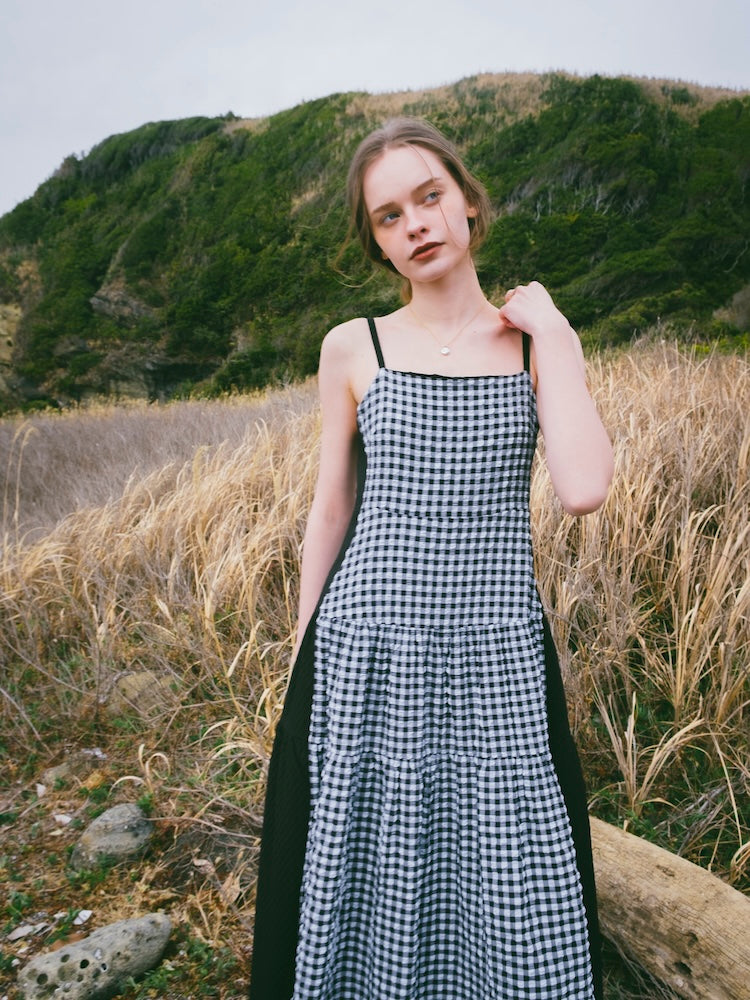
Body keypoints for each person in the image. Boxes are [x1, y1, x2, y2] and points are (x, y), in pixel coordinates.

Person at [249, 117, 614, 1000]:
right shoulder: (355, 346)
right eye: (389, 216)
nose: (414, 224)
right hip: (367, 646)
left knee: (510, 864)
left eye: (429, 197)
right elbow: (331, 506)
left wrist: (556, 332)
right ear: (376, 241)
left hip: (496, 652)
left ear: (468, 203)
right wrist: (302, 645)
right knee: (364, 855)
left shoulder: (531, 343)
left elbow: (583, 488)